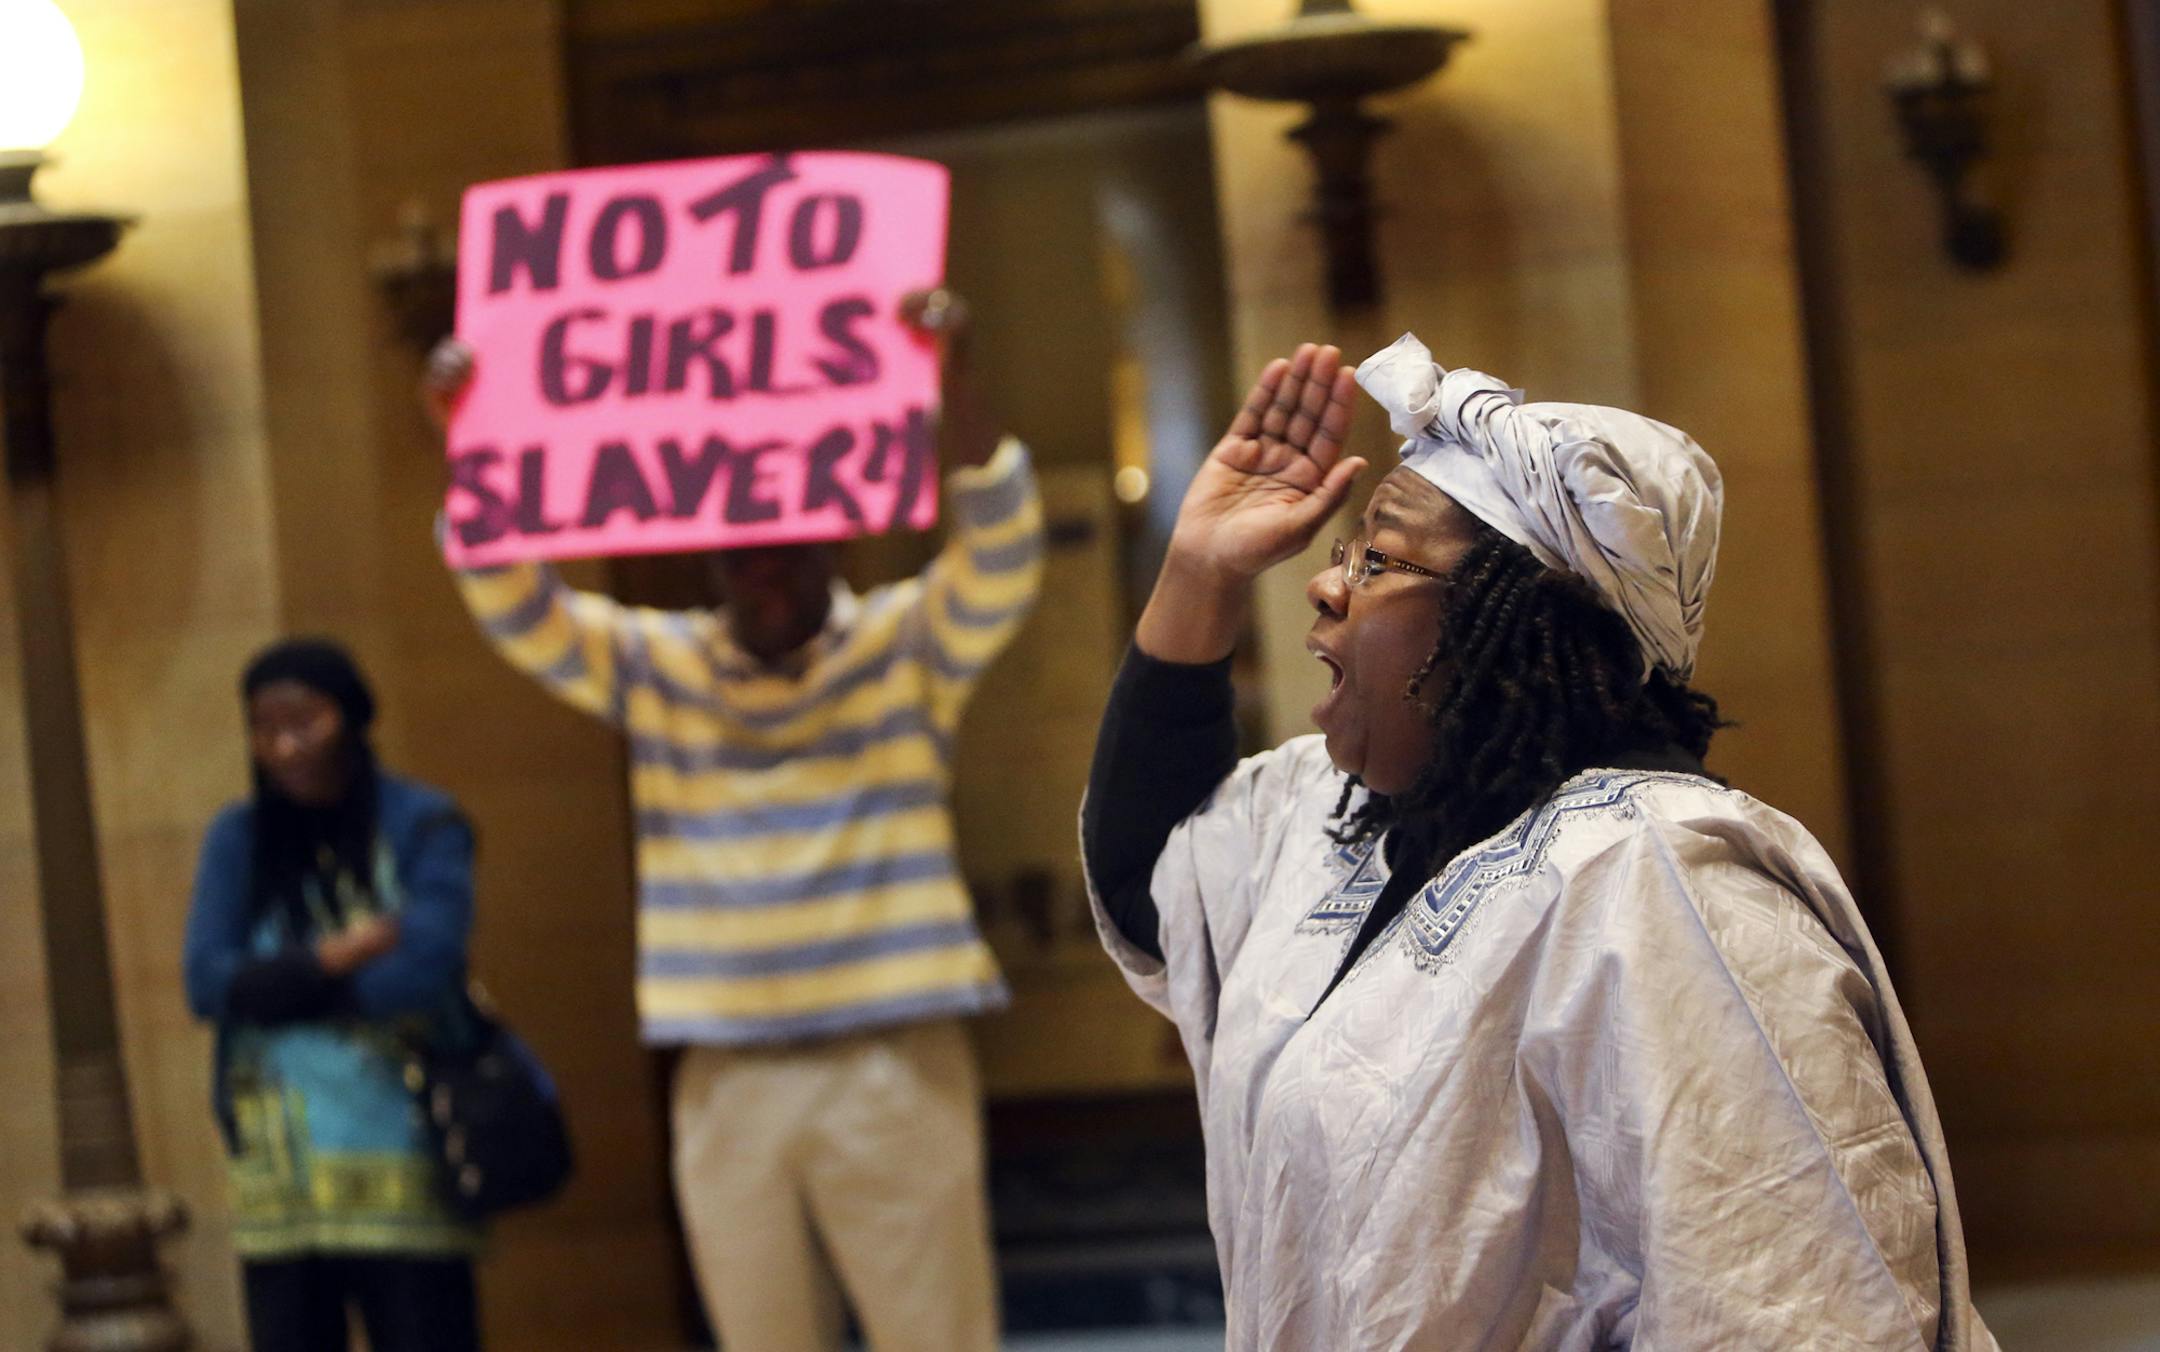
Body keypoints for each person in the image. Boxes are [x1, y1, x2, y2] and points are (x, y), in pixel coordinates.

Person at [1082, 337, 1999, 1349]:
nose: (1326, 584)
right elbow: (1155, 882)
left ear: (1508, 622)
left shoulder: (1654, 874)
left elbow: (1791, 1291)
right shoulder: (1347, 819)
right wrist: (1198, 570)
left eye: (1376, 558)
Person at [424, 289, 1041, 1352]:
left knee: (934, 1333)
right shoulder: (658, 665)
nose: (761, 574)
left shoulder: (905, 646)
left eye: (785, 551)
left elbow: (1000, 554)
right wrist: (468, 441)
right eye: (739, 554)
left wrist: (953, 385)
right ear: (709, 559)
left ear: (834, 547)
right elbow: (516, 608)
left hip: (887, 1055)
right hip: (724, 1068)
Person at [184, 639, 482, 1352]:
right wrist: (335, 954)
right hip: (280, 1177)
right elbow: (206, 983)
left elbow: (426, 965)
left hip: (406, 1153)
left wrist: (278, 987)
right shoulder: (239, 836)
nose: (285, 746)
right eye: (265, 728)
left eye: (305, 721)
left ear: (349, 717)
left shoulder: (423, 822)